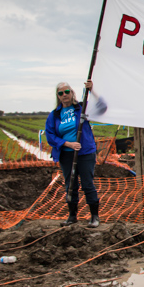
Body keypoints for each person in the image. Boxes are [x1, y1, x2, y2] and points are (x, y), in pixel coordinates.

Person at [45, 80, 101, 228]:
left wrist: (92, 91)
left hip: (85, 152)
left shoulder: (81, 108)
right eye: (61, 93)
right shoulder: (55, 115)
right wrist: (67, 144)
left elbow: (101, 107)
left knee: (87, 183)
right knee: (70, 184)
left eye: (67, 91)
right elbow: (50, 135)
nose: (64, 95)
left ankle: (94, 217)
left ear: (72, 92)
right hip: (66, 154)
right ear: (58, 96)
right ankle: (72, 216)